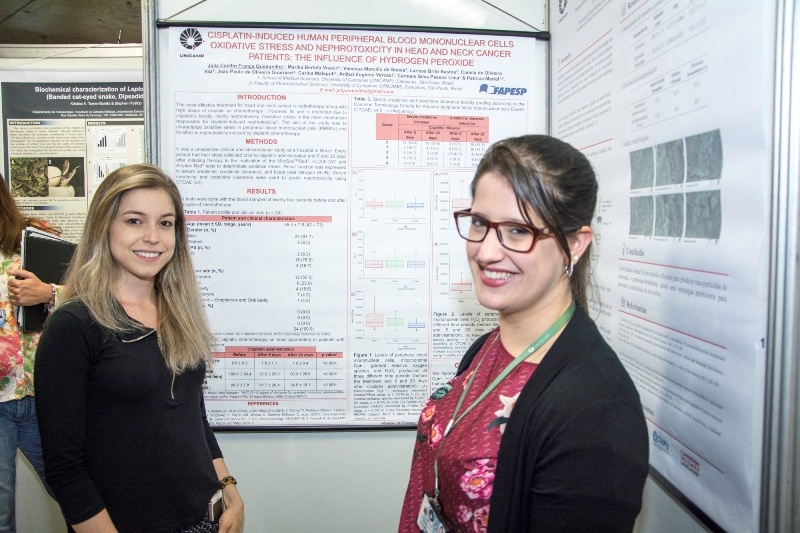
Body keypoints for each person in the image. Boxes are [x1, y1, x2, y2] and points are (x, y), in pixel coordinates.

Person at [399, 135, 648, 532]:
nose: (485, 252)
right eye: (480, 223)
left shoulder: (596, 411)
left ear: (576, 244)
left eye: (517, 231)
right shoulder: (490, 347)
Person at [35, 164, 244, 533]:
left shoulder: (180, 313)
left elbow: (193, 416)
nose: (153, 237)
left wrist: (229, 489)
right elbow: (65, 468)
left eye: (165, 223)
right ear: (105, 226)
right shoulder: (74, 325)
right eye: (134, 221)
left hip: (204, 518)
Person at [0, 175, 59, 533]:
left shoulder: (35, 238)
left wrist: (48, 292)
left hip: (46, 398)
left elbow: (91, 295)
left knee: (83, 499)